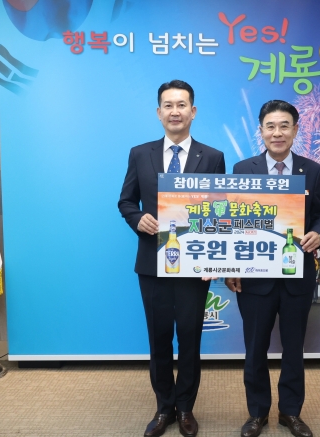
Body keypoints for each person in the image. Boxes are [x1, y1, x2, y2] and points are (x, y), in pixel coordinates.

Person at [118, 80, 225, 437]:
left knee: (191, 339)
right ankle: (164, 407)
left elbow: (219, 211)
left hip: (195, 265)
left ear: (193, 112)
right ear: (159, 112)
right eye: (168, 105)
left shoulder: (212, 157)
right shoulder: (140, 153)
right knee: (159, 338)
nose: (175, 111)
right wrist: (138, 218)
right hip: (153, 263)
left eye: (181, 105)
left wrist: (213, 261)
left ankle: (186, 408)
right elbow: (126, 201)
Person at [225, 100, 320, 437]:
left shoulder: (312, 170)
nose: (277, 132)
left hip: (297, 275)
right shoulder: (243, 169)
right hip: (254, 278)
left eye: (284, 125)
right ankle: (257, 413)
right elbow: (233, 221)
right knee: (255, 348)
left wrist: (319, 232)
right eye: (270, 126)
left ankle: (290, 412)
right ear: (261, 131)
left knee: (294, 348)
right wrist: (231, 266)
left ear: (295, 130)